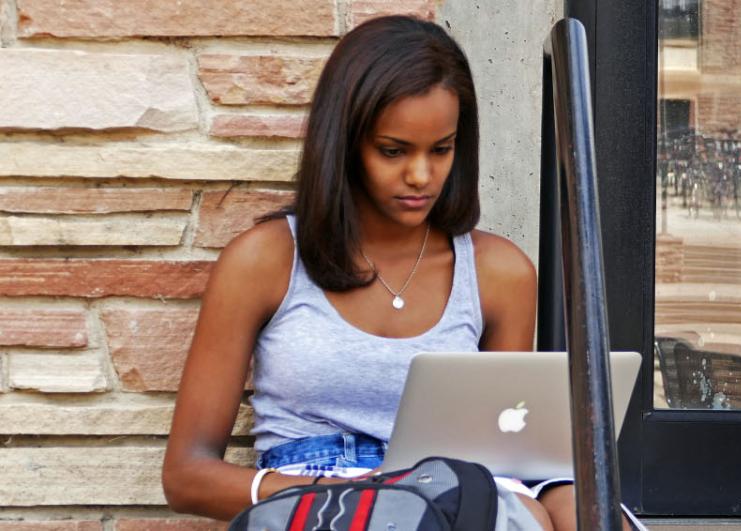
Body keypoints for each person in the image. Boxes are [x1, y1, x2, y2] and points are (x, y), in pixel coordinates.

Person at [161, 16, 586, 529]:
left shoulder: (499, 273)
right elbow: (186, 477)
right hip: (318, 505)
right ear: (344, 144)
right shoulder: (266, 261)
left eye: (442, 149)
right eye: (393, 151)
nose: (421, 176)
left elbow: (508, 455)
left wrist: (569, 499)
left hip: (448, 502)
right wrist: (368, 493)